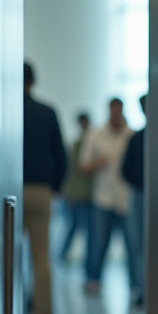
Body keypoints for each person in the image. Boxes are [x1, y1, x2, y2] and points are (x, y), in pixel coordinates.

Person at [23, 62, 67, 314]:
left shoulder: (3, 110)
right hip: (41, 192)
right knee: (41, 258)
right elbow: (61, 155)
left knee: (9, 260)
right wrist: (56, 187)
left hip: (7, 192)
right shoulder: (47, 112)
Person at [80, 97, 136, 294]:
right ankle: (93, 279)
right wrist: (98, 163)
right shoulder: (96, 135)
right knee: (98, 243)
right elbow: (83, 165)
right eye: (112, 111)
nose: (115, 115)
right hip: (103, 198)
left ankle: (136, 284)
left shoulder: (131, 135)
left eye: (118, 111)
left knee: (132, 244)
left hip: (126, 198)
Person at [121, 94, 147, 306]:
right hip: (139, 194)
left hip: (157, 196)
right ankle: (141, 288)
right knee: (137, 243)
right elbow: (125, 170)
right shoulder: (137, 139)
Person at [59, 112, 93, 263]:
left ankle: (63, 255)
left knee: (79, 229)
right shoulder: (76, 145)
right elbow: (72, 171)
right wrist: (69, 193)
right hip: (77, 194)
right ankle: (62, 255)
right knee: (78, 228)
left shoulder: (92, 143)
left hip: (89, 194)